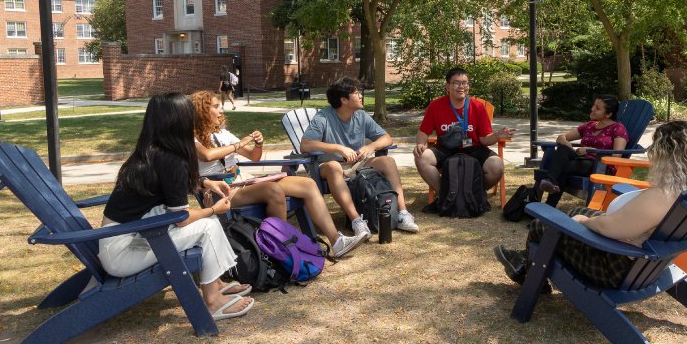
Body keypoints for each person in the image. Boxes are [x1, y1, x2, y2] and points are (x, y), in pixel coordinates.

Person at [494, 120, 687, 289]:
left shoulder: (662, 197)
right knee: (575, 210)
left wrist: (584, 221)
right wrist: (584, 217)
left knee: (542, 225)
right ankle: (526, 265)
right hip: (646, 263)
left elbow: (608, 229)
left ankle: (530, 275)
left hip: (615, 267)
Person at [99, 93, 254, 322]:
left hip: (130, 238)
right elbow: (181, 217)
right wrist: (214, 210)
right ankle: (212, 302)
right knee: (208, 226)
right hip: (125, 251)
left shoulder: (153, 151)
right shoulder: (170, 160)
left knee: (206, 224)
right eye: (189, 116)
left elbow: (165, 187)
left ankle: (217, 283)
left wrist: (204, 183)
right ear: (178, 121)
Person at [191, 90, 366, 258]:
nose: (221, 110)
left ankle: (337, 242)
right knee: (273, 190)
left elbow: (254, 157)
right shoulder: (192, 137)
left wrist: (258, 145)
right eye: (215, 107)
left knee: (307, 184)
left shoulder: (222, 133)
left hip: (240, 181)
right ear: (202, 111)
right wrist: (240, 144)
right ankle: (282, 251)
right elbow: (207, 155)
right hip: (219, 189)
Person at [300, 77, 419, 238]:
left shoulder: (361, 116)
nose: (361, 96)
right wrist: (337, 148)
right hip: (328, 167)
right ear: (344, 99)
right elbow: (305, 145)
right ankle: (357, 221)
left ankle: (402, 214)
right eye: (356, 93)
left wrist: (371, 146)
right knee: (334, 166)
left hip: (357, 165)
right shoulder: (324, 117)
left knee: (387, 161)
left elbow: (387, 138)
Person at [414, 67, 515, 194]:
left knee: (497, 165)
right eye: (456, 83)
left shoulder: (478, 107)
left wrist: (498, 135)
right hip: (446, 148)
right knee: (421, 157)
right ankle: (445, 194)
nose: (461, 87)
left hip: (473, 149)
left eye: (464, 83)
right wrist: (420, 144)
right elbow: (423, 131)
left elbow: (484, 139)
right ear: (447, 86)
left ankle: (474, 194)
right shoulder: (436, 105)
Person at [537, 95, 628, 195]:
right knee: (563, 149)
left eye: (597, 108)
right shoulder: (589, 126)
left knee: (561, 166)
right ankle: (549, 182)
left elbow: (616, 157)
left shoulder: (618, 128)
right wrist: (567, 144)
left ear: (608, 114)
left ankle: (549, 190)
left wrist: (591, 151)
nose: (592, 109)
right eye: (594, 105)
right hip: (580, 160)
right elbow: (562, 137)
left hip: (599, 166)